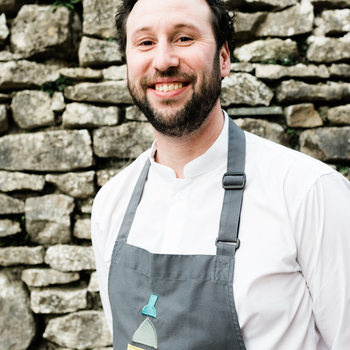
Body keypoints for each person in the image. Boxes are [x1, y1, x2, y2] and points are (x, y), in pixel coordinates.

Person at [91, 0, 350, 348]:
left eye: (184, 38)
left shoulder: (308, 193)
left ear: (224, 58)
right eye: (145, 42)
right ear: (128, 62)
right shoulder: (111, 202)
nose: (164, 60)